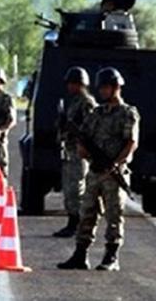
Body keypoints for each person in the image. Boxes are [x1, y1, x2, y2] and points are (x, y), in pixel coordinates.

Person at [58, 67, 140, 271]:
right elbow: (82, 134)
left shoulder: (127, 113)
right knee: (87, 212)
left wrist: (118, 163)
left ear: (116, 87)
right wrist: (83, 149)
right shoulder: (96, 113)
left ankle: (111, 257)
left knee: (114, 215)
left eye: (106, 87)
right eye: (101, 87)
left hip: (114, 173)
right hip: (95, 171)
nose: (102, 91)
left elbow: (131, 142)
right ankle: (80, 254)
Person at [53, 67, 97, 238]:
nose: (69, 87)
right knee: (69, 188)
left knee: (77, 188)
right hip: (70, 149)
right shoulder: (75, 101)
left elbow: (90, 127)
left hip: (80, 150)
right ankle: (72, 221)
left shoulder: (87, 102)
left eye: (73, 83)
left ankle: (77, 223)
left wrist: (73, 129)